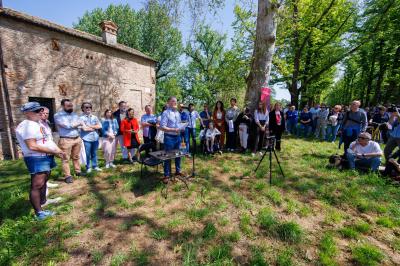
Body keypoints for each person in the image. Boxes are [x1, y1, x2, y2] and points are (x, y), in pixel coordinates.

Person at [16, 102, 66, 220]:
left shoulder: (38, 123)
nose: (40, 112)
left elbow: (48, 140)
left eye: (40, 110)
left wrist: (58, 150)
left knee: (44, 180)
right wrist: (54, 152)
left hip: (46, 156)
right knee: (37, 184)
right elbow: (32, 146)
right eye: (37, 111)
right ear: (27, 113)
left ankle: (43, 202)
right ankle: (39, 213)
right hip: (36, 158)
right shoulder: (27, 126)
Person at [54, 99, 85, 183]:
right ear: (63, 106)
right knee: (65, 158)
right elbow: (67, 126)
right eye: (68, 106)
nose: (70, 107)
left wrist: (76, 125)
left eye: (71, 106)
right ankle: (68, 176)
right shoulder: (58, 115)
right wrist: (77, 124)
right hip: (66, 139)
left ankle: (78, 171)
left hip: (77, 138)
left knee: (76, 157)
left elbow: (80, 124)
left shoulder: (74, 114)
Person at [160, 96, 185, 183]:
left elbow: (178, 124)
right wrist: (173, 130)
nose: (175, 102)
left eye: (176, 101)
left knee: (178, 155)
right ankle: (166, 175)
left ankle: (178, 171)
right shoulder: (166, 113)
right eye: (173, 101)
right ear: (169, 103)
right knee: (168, 156)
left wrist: (182, 127)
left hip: (177, 137)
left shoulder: (178, 113)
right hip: (169, 137)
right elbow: (162, 127)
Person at [39, 107, 59, 189]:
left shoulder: (47, 122)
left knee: (49, 168)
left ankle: (46, 182)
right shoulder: (37, 123)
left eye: (47, 113)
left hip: (50, 148)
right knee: (43, 170)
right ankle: (42, 185)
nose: (45, 115)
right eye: (43, 113)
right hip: (43, 150)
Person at [80, 102, 102, 173]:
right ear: (83, 109)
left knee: (94, 153)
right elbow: (84, 129)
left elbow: (100, 126)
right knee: (87, 153)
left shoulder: (94, 117)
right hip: (86, 138)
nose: (88, 108)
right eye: (86, 107)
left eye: (90, 107)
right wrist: (94, 127)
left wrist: (90, 126)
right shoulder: (81, 118)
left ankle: (95, 166)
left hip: (95, 138)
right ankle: (88, 167)